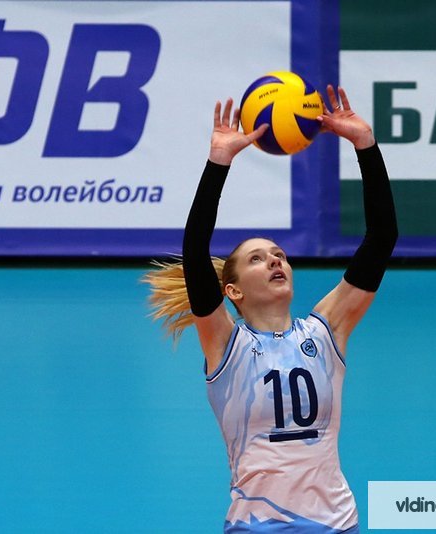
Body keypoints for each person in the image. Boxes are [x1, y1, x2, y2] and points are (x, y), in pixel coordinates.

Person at [144, 85, 397, 533]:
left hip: (335, 524)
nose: (276, 261)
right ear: (233, 291)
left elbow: (381, 238)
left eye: (279, 254)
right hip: (256, 526)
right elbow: (195, 252)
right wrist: (219, 161)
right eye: (258, 259)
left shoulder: (325, 332)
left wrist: (365, 144)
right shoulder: (226, 345)